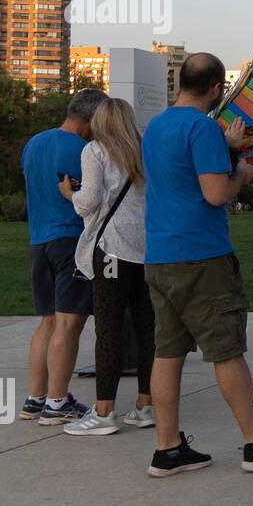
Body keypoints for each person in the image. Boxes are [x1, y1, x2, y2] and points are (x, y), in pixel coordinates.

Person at [142, 52, 253, 477]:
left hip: (159, 257)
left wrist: (226, 146)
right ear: (218, 89)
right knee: (226, 349)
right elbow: (217, 194)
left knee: (167, 353)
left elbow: (179, 173)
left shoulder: (157, 125)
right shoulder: (202, 127)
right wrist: (245, 171)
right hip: (200, 257)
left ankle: (168, 449)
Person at [63, 98, 156, 436]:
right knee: (148, 328)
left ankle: (104, 412)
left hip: (112, 251)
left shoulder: (95, 151)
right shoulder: (145, 151)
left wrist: (69, 195)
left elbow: (88, 201)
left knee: (108, 330)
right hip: (146, 250)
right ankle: (146, 406)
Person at [19, 88, 107, 424]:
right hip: (71, 241)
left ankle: (35, 398)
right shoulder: (87, 149)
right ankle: (58, 402)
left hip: (38, 241)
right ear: (91, 118)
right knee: (69, 323)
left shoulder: (34, 143)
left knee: (48, 322)